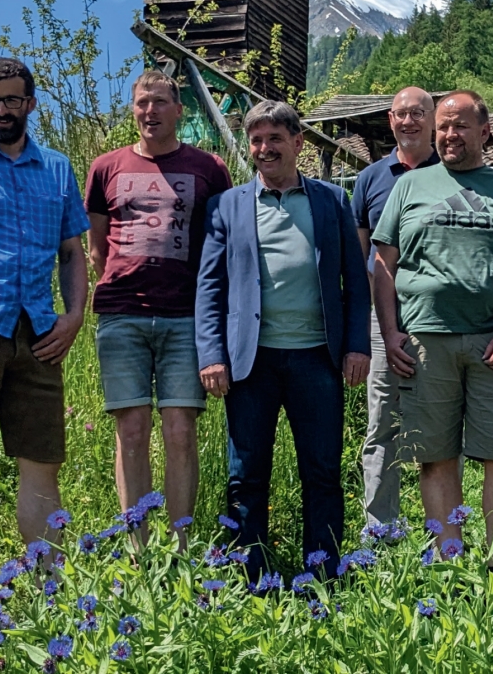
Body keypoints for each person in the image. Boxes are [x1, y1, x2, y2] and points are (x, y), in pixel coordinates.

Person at [372, 90, 493, 566]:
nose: (449, 134)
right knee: (435, 455)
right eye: (443, 126)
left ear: (485, 131)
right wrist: (390, 334)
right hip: (426, 342)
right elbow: (383, 265)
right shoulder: (409, 187)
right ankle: (450, 561)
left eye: (460, 125)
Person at [196, 100, 370, 578]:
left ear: (297, 143)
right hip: (251, 364)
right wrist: (212, 354)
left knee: (322, 473)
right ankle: (248, 577)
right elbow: (210, 287)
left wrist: (358, 345)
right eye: (256, 140)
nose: (264, 148)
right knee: (245, 476)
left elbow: (355, 282)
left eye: (275, 138)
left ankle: (323, 576)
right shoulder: (227, 205)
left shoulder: (332, 201)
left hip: (318, 359)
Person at [0, 58, 90, 636]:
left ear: (32, 104)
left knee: (42, 466)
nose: (2, 110)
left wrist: (76, 315)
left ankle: (49, 592)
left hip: (39, 337)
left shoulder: (58, 169)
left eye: (13, 100)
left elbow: (72, 253)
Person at [85, 71, 232, 546]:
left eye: (161, 102)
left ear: (179, 110)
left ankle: (181, 549)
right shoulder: (105, 167)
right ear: (133, 110)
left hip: (185, 316)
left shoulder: (209, 168)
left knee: (179, 432)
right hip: (121, 315)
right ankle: (138, 551)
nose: (151, 111)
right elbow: (97, 249)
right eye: (142, 103)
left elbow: (223, 242)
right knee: (130, 431)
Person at [351, 87, 439, 526]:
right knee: (382, 424)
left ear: (433, 119)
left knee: (435, 429)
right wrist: (376, 322)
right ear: (390, 120)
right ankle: (379, 532)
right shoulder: (370, 178)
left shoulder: (451, 173)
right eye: (402, 114)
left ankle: (441, 534)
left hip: (439, 319)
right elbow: (361, 255)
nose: (409, 122)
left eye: (418, 114)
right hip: (382, 319)